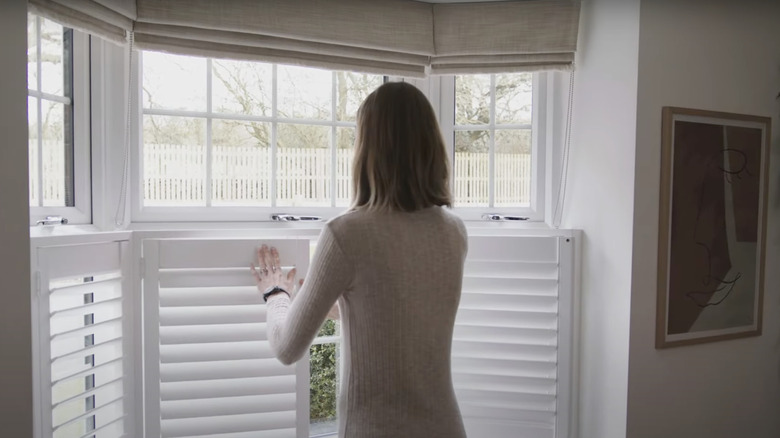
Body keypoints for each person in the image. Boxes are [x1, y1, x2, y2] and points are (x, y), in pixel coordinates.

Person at [251, 81, 468, 438]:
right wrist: (336, 304)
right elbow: (402, 310)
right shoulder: (454, 232)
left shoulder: (347, 234)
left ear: (368, 149)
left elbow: (287, 348)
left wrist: (276, 295)